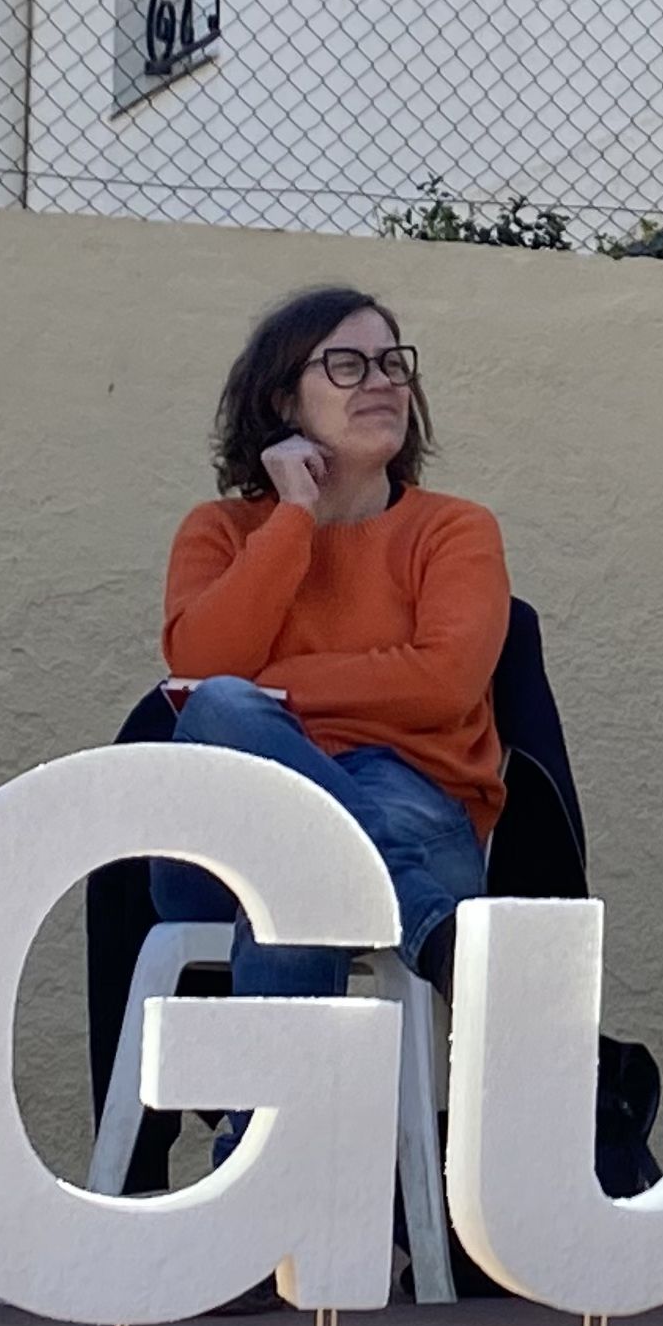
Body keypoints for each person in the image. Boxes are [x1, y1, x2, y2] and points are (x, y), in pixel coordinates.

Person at [153, 287, 505, 1006]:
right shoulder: (219, 532)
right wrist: (291, 519)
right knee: (225, 705)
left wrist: (275, 688)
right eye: (346, 365)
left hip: (416, 799)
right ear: (285, 401)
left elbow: (444, 682)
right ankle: (434, 929)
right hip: (227, 827)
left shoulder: (455, 530)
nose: (380, 383)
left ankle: (262, 1123)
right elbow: (202, 669)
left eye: (391, 364)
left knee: (298, 866)